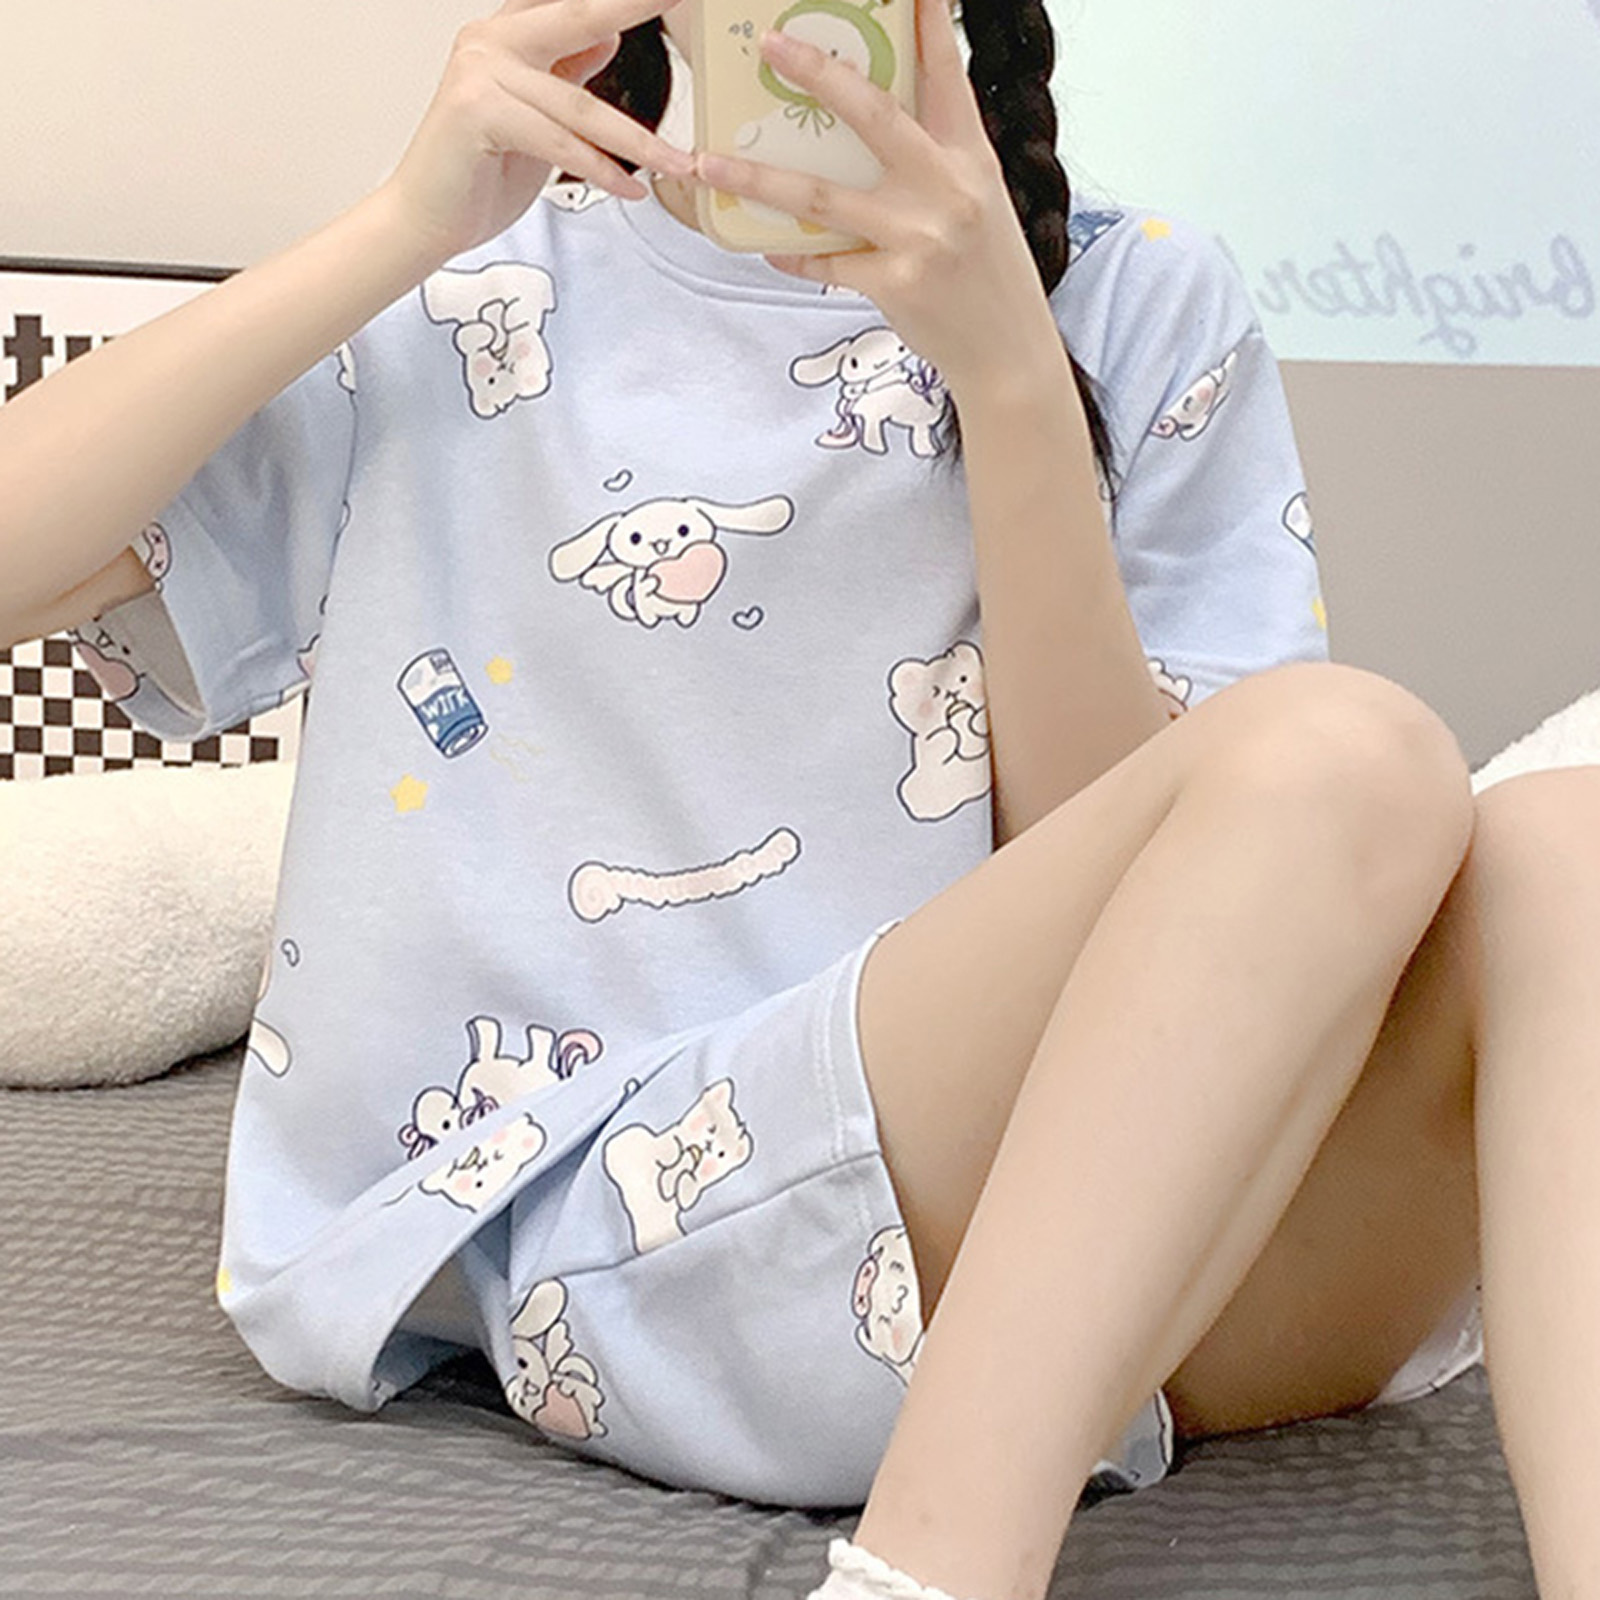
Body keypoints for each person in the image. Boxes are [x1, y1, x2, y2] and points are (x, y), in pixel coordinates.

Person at [1, 1, 1593, 1597]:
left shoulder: (1143, 294)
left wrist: (1008, 374)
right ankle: (930, 1573)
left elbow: (1160, 931)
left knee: (1562, 842)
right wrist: (405, 223)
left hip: (1085, 1249)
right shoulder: (478, 291)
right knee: (1349, 755)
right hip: (639, 1226)